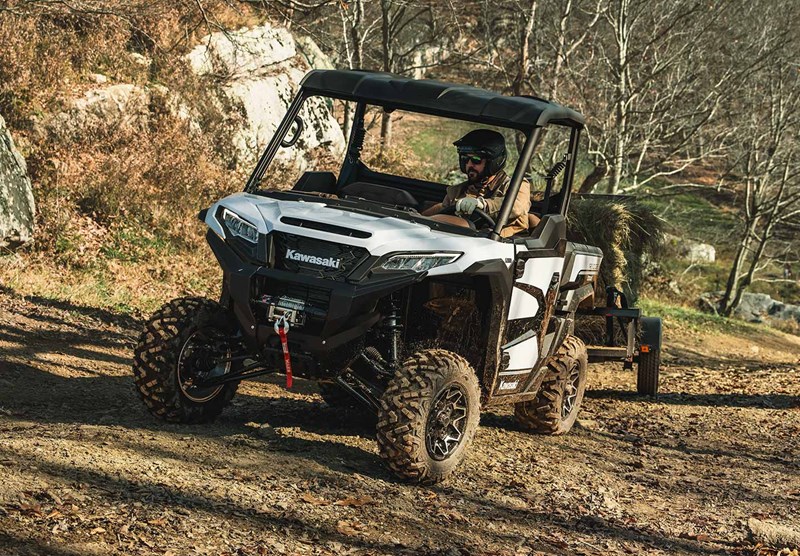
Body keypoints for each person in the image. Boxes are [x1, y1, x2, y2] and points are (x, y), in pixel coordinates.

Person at [423, 129, 531, 237]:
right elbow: (443, 212)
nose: (469, 164)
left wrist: (483, 205)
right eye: (465, 159)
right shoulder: (456, 191)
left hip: (504, 246)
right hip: (462, 241)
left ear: (493, 162)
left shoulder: (516, 186)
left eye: (476, 159)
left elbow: (517, 207)